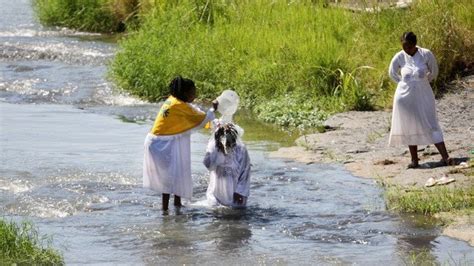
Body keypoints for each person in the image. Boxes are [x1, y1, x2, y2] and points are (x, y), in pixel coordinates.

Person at [143, 76, 218, 211]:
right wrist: (213, 110)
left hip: (162, 141)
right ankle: (165, 210)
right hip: (162, 143)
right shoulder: (178, 105)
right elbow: (201, 119)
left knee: (177, 171)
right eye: (193, 92)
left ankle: (176, 204)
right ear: (184, 93)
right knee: (168, 177)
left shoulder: (174, 101)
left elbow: (195, 113)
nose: (195, 95)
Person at [388, 31, 453, 168]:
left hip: (424, 95)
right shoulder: (400, 56)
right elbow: (392, 73)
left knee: (431, 122)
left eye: (409, 46)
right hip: (404, 97)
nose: (407, 49)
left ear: (415, 44)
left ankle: (446, 157)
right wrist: (404, 83)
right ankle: (414, 160)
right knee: (409, 125)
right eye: (404, 46)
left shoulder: (426, 54)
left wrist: (422, 82)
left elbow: (434, 72)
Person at [203, 123, 251, 207]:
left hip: (235, 192)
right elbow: (208, 164)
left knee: (236, 215)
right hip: (217, 191)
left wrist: (240, 192)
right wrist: (213, 147)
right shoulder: (215, 148)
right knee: (216, 212)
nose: (227, 145)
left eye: (229, 142)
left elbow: (245, 172)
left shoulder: (241, 150)